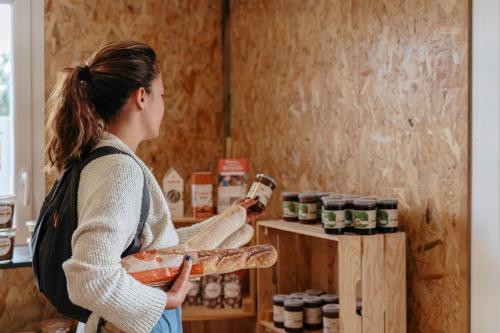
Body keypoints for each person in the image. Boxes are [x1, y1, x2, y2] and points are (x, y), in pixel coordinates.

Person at [45, 41, 264, 333]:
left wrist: (234, 218)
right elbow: (88, 276)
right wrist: (164, 302)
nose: (164, 104)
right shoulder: (118, 170)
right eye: (161, 94)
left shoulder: (103, 159)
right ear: (141, 98)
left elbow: (155, 246)